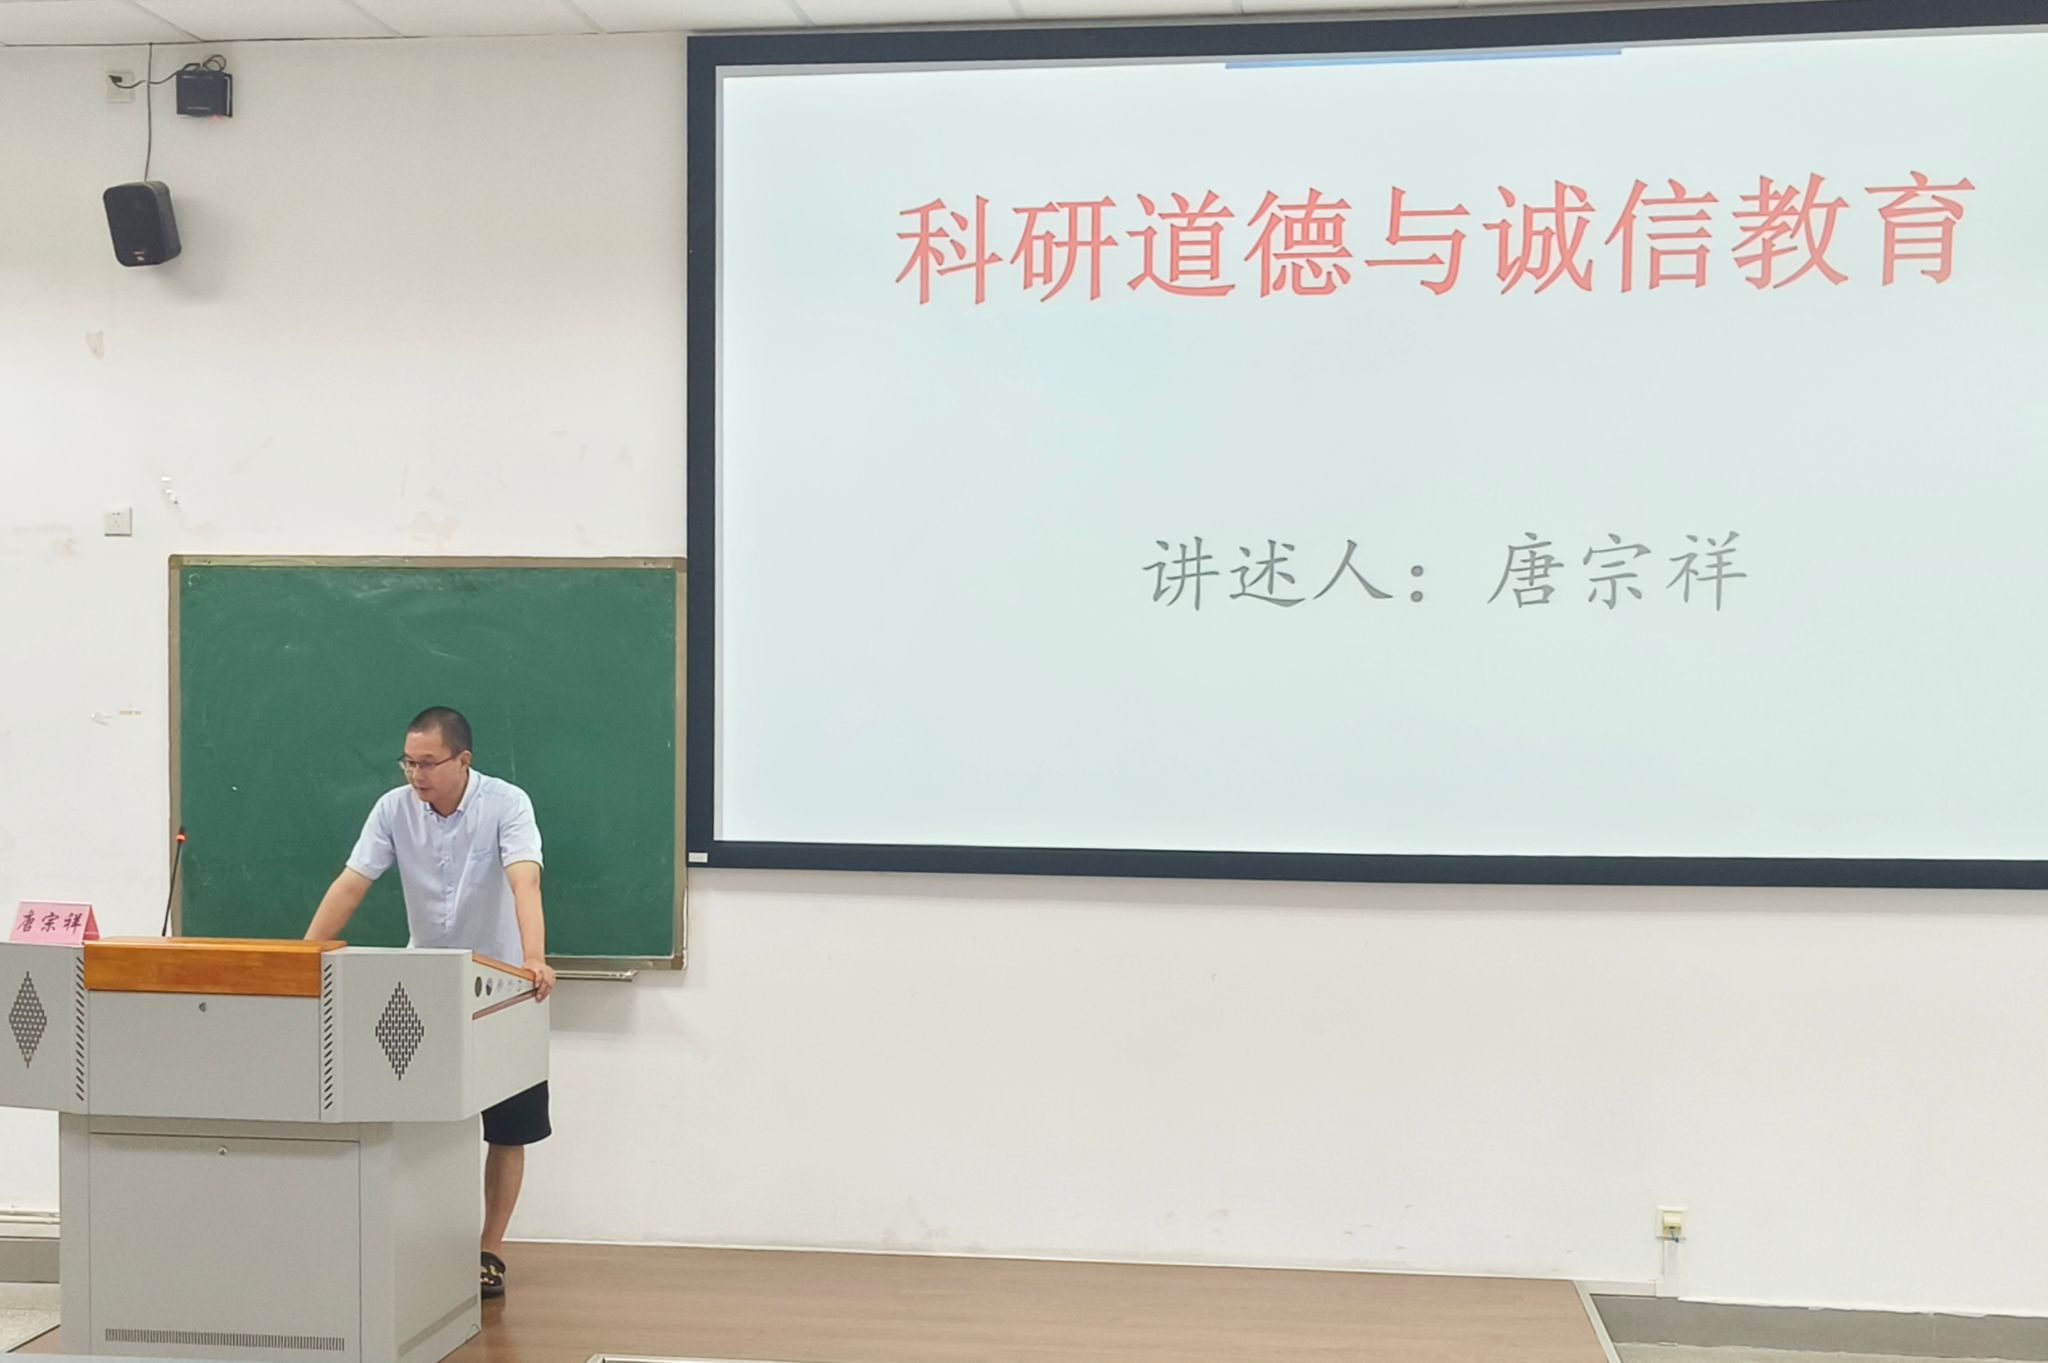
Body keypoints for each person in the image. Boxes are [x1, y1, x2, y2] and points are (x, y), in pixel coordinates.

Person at [304, 706, 558, 1301]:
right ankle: (417, 1245)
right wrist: (301, 956)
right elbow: (352, 883)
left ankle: (489, 1249)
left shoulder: (507, 804)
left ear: (462, 760)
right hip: (423, 986)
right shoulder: (393, 809)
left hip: (504, 985)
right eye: (408, 762)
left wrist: (535, 959)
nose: (416, 774)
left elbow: (525, 880)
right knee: (416, 1116)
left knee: (509, 1127)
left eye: (428, 763)